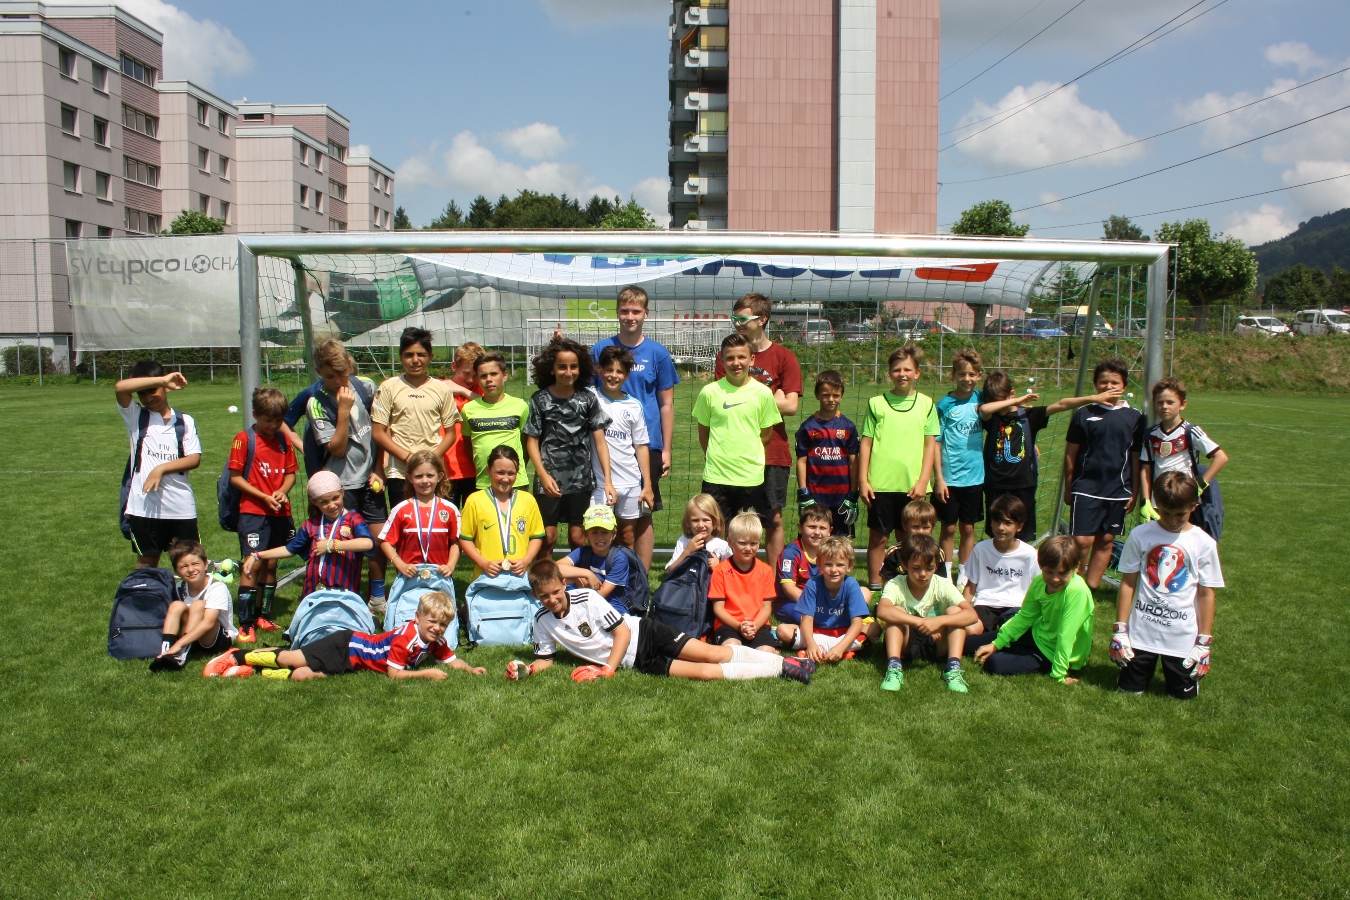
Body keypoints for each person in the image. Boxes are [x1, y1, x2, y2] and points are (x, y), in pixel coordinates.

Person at [504, 561, 814, 684]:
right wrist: (528, 668)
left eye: (556, 592)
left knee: (713, 654)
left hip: (645, 634)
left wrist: (607, 668)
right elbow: (546, 658)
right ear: (535, 596)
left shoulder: (587, 599)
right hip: (635, 661)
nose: (552, 600)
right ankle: (782, 670)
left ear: (564, 584)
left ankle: (787, 663)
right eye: (544, 597)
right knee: (705, 673)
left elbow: (622, 633)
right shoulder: (542, 620)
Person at [1111, 472, 1224, 700]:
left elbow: (1206, 594)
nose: (1172, 520)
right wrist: (1120, 630)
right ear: (1155, 505)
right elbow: (1128, 583)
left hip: (1181, 635)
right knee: (1129, 691)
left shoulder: (1204, 543)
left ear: (1194, 506)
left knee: (1181, 697)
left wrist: (1204, 641)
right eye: (1165, 513)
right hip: (1142, 632)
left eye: (1180, 514)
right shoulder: (1140, 535)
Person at [590, 285, 680, 571]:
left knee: (642, 510)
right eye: (625, 310)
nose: (630, 316)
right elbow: (585, 395)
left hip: (645, 443)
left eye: (636, 311)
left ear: (646, 313)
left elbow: (666, 404)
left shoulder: (657, 353)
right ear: (617, 312)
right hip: (605, 442)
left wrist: (665, 449)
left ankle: (639, 574)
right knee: (605, 512)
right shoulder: (600, 349)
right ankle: (609, 569)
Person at [370, 327, 461, 610]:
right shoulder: (389, 387)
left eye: (421, 354)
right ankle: (402, 590)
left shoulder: (441, 389)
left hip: (431, 475)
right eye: (409, 355)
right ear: (401, 357)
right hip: (400, 473)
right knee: (407, 531)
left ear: (430, 357)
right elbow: (378, 432)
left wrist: (430, 460)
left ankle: (437, 584)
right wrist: (409, 458)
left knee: (434, 529)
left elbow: (450, 433)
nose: (415, 360)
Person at [207, 591, 486, 681]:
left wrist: (471, 669)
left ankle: (254, 670)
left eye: (443, 624)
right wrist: (426, 674)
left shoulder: (436, 641)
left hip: (352, 664)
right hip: (345, 644)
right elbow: (394, 674)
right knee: (292, 659)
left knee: (304, 676)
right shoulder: (406, 638)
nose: (437, 628)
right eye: (432, 621)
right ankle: (237, 655)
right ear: (417, 618)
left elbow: (451, 660)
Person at [979, 370, 1121, 543]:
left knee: (1021, 533)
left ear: (1012, 393)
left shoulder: (1029, 415)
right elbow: (984, 409)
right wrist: (1014, 401)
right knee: (997, 531)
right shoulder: (991, 417)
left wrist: (1094, 398)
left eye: (1002, 401)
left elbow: (1061, 404)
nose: (999, 406)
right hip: (995, 484)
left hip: (1023, 483)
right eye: (995, 402)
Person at [713, 292, 803, 565]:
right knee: (729, 518)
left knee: (772, 517)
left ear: (762, 319)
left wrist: (756, 399)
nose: (737, 323)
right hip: (733, 452)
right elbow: (726, 399)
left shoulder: (784, 357)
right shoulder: (728, 356)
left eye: (743, 318)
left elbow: (791, 406)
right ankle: (727, 575)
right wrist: (772, 397)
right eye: (735, 318)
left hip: (772, 451)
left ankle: (777, 578)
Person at [301, 340, 387, 607]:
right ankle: (344, 595)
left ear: (350, 364)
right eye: (330, 376)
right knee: (342, 542)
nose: (338, 381)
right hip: (340, 486)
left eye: (342, 373)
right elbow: (336, 449)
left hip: (370, 480)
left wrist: (379, 469)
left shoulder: (366, 387)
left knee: (378, 540)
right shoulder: (316, 403)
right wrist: (343, 412)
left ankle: (377, 597)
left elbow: (380, 431)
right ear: (318, 372)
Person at [858, 344, 938, 592]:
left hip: (912, 485)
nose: (902, 374)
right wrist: (863, 480)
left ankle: (909, 583)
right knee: (879, 537)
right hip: (880, 484)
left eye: (907, 369)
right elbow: (866, 443)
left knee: (911, 538)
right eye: (896, 370)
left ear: (917, 373)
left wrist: (923, 480)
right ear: (890, 373)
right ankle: (875, 586)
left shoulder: (927, 404)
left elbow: (930, 445)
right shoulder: (876, 404)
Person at [525, 337, 614, 557]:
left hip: (580, 479)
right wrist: (542, 475)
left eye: (573, 366)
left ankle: (579, 574)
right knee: (547, 538)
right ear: (552, 369)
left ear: (580, 368)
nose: (568, 372)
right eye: (562, 367)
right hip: (549, 479)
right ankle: (544, 576)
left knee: (577, 537)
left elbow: (600, 442)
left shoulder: (587, 399)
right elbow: (532, 441)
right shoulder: (540, 399)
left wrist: (608, 480)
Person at [1062, 359, 1147, 588]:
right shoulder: (1084, 414)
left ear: (1124, 386)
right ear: (1095, 384)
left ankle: (1091, 589)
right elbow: (1071, 454)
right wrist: (1069, 487)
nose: (1108, 386)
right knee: (1081, 540)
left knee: (1106, 539)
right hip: (1086, 488)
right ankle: (1074, 585)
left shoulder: (1135, 417)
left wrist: (1134, 491)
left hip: (1118, 489)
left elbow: (1135, 457)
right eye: (1103, 382)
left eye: (1114, 382)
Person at [969, 536, 1093, 684]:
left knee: (993, 664)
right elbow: (1025, 616)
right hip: (1037, 635)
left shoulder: (1077, 591)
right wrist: (996, 644)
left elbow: (1066, 636)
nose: (1055, 579)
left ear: (1076, 568)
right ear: (1040, 566)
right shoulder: (1039, 581)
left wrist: (1058, 675)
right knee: (971, 643)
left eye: (1062, 573)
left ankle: (1022, 655)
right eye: (1049, 572)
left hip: (1052, 653)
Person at [114, 361, 203, 567]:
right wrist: (161, 380)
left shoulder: (185, 421)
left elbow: (194, 459)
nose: (148, 398)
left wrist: (160, 468)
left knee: (189, 563)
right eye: (142, 394)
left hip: (180, 506)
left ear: (166, 389)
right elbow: (120, 388)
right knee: (147, 563)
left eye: (153, 391)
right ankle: (146, 590)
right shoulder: (136, 416)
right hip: (144, 508)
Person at [229, 387, 298, 642]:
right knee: (253, 563)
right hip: (254, 511)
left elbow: (291, 474)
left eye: (279, 420)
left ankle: (263, 615)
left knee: (271, 563)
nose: (274, 425)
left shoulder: (284, 440)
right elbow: (235, 478)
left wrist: (282, 491)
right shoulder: (243, 439)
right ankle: (246, 623)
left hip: (279, 512)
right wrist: (263, 495)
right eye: (268, 420)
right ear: (256, 414)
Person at [693, 333, 782, 531]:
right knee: (714, 534)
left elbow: (766, 435)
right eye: (730, 358)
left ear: (752, 359)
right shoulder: (709, 392)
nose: (736, 363)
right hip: (716, 477)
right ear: (722, 360)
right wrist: (719, 455)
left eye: (741, 357)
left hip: (750, 477)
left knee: (746, 536)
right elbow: (704, 435)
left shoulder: (763, 393)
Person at [242, 470, 374, 599]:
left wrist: (331, 545)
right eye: (324, 502)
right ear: (314, 502)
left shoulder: (354, 519)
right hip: (312, 594)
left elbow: (367, 543)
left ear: (342, 492)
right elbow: (289, 549)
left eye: (335, 498)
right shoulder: (311, 524)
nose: (332, 505)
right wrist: (257, 555)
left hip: (345, 594)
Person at [876, 534, 976, 692]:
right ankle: (894, 668)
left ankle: (953, 668)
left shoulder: (943, 584)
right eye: (916, 568)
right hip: (907, 642)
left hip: (938, 641)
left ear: (936, 566)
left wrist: (939, 621)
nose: (923, 574)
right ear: (904, 565)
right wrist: (920, 622)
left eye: (929, 568)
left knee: (955, 612)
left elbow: (971, 615)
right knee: (896, 612)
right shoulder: (896, 584)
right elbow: (882, 610)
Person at [1139, 376, 1229, 537]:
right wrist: (1145, 501)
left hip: (1185, 502)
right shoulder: (1150, 435)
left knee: (1185, 543)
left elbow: (1221, 457)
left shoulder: (1190, 431)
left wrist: (1200, 485)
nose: (1164, 406)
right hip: (1159, 503)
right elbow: (1145, 469)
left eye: (1170, 402)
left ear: (1182, 404)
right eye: (1160, 402)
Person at [589, 345, 655, 554]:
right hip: (601, 483)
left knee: (627, 537)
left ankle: (626, 574)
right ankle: (597, 574)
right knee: (598, 536)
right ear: (599, 370)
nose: (613, 375)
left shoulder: (634, 405)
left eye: (619, 371)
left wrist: (647, 484)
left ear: (627, 375)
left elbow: (641, 446)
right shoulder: (590, 397)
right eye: (609, 369)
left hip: (630, 480)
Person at [776, 536, 874, 663]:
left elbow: (857, 623)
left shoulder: (851, 585)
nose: (833, 570)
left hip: (843, 633)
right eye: (828, 564)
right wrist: (811, 644)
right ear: (819, 565)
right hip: (817, 633)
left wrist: (840, 647)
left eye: (840, 565)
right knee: (782, 631)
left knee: (874, 628)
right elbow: (807, 620)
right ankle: (836, 650)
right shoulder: (813, 585)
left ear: (849, 566)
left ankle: (831, 650)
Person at [960, 494, 1040, 641]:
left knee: (1011, 630)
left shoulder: (1029, 554)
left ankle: (990, 640)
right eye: (997, 521)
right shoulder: (981, 549)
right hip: (985, 605)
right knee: (969, 630)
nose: (1001, 527)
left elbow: (1037, 588)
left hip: (1016, 606)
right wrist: (962, 611)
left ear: (1019, 526)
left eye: (1008, 523)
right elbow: (970, 587)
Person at [458, 446, 545, 581]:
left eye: (511, 473)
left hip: (520, 577)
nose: (505, 479)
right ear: (488, 470)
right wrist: (483, 563)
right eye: (500, 473)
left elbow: (536, 536)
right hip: (486, 576)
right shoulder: (475, 500)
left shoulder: (528, 500)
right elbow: (465, 538)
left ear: (518, 472)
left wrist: (526, 560)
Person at [933, 349, 985, 576]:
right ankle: (944, 573)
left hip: (975, 477)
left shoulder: (983, 400)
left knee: (968, 527)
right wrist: (939, 478)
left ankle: (964, 574)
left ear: (979, 376)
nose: (967, 379)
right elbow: (935, 443)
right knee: (949, 527)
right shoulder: (945, 405)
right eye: (962, 374)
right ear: (953, 375)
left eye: (972, 374)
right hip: (950, 478)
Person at [149, 541, 236, 672]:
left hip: (217, 640)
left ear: (206, 564)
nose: (190, 570)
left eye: (195, 564)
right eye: (183, 566)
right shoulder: (179, 587)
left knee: (198, 605)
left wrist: (179, 644)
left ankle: (180, 655)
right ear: (176, 571)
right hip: (191, 638)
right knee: (176, 605)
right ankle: (165, 652)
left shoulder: (217, 587)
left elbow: (208, 623)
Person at [795, 370, 860, 537]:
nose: (831, 399)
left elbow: (854, 462)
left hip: (841, 497)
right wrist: (803, 492)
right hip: (815, 496)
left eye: (835, 395)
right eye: (825, 395)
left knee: (841, 541)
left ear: (841, 396)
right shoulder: (807, 427)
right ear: (817, 395)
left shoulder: (848, 427)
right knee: (813, 538)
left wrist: (853, 494)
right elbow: (801, 461)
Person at [379, 450, 461, 579]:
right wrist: (400, 565)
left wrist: (450, 565)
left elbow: (456, 541)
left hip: (440, 576)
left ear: (439, 476)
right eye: (418, 476)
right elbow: (385, 542)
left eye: (430, 475)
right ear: (409, 478)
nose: (424, 481)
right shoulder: (400, 509)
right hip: (409, 577)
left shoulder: (450, 509)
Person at [708, 512, 779, 650]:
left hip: (757, 625)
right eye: (742, 543)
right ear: (730, 542)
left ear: (759, 543)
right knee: (732, 648)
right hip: (728, 625)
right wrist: (739, 626)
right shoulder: (720, 570)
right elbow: (718, 609)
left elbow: (766, 607)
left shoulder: (766, 570)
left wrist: (755, 626)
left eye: (753, 543)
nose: (748, 548)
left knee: (766, 653)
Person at [461, 351, 530, 492]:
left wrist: (514, 466)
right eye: (483, 376)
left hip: (516, 482)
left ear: (505, 375)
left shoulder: (520, 406)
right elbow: (468, 444)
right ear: (477, 379)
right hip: (484, 482)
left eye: (494, 374)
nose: (489, 379)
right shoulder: (468, 409)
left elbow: (527, 443)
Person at [556, 505, 634, 614]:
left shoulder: (619, 558)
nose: (600, 537)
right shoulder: (582, 552)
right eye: (594, 532)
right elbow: (553, 568)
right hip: (586, 601)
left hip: (613, 607)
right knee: (563, 578)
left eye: (605, 532)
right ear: (586, 534)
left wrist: (579, 581)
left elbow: (601, 594)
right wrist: (586, 574)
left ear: (614, 534)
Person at [443, 342, 486, 509]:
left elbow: (492, 405)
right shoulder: (440, 387)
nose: (470, 379)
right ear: (454, 366)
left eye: (476, 375)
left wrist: (463, 391)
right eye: (466, 373)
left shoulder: (480, 391)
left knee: (475, 519)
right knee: (447, 518)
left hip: (476, 469)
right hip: (446, 468)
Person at [775, 504, 833, 625]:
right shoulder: (790, 554)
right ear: (800, 528)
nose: (817, 532)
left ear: (829, 531)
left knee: (863, 592)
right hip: (791, 602)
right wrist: (818, 605)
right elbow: (788, 588)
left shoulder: (830, 552)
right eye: (812, 527)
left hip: (821, 600)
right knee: (811, 617)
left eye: (822, 528)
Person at [666, 493, 734, 572]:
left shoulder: (722, 546)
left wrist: (719, 564)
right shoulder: (683, 541)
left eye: (706, 520)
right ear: (688, 522)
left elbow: (732, 572)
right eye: (695, 520)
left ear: (715, 522)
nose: (701, 525)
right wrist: (687, 551)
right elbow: (670, 570)